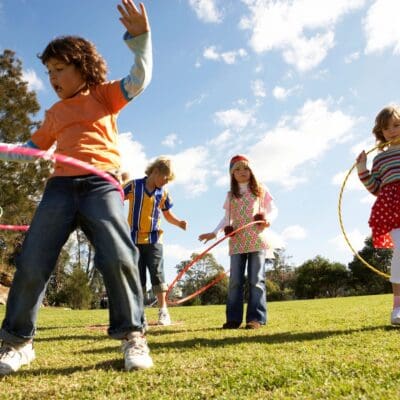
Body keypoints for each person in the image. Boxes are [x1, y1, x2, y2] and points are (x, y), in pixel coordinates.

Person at [0, 0, 153, 374]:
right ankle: (17, 342)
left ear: (81, 66)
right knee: (33, 260)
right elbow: (32, 151)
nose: (52, 78)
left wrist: (141, 40)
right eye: (49, 71)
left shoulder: (103, 95)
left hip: (101, 185)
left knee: (118, 255)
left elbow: (139, 79)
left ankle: (133, 335)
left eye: (59, 68)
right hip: (60, 188)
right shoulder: (54, 113)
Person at [198, 155, 277, 330]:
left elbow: (273, 209)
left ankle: (256, 318)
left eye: (245, 168)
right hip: (237, 240)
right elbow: (226, 218)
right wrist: (215, 233)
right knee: (235, 281)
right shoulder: (230, 195)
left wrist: (267, 219)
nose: (242, 172)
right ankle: (233, 319)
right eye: (237, 170)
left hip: (257, 238)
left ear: (252, 170)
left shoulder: (260, 189)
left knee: (256, 279)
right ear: (232, 174)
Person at [123, 156, 187, 326]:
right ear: (156, 171)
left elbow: (167, 214)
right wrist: (117, 181)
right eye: (166, 178)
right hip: (134, 239)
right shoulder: (133, 186)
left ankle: (163, 311)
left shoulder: (163, 193)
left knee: (157, 274)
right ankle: (138, 313)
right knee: (138, 276)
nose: (166, 183)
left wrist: (179, 222)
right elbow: (116, 196)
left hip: (154, 239)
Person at [356, 105, 400, 326]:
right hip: (393, 210)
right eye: (386, 128)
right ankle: (398, 307)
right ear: (380, 133)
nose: (391, 131)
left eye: (396, 125)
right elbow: (375, 188)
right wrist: (362, 168)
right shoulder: (380, 159)